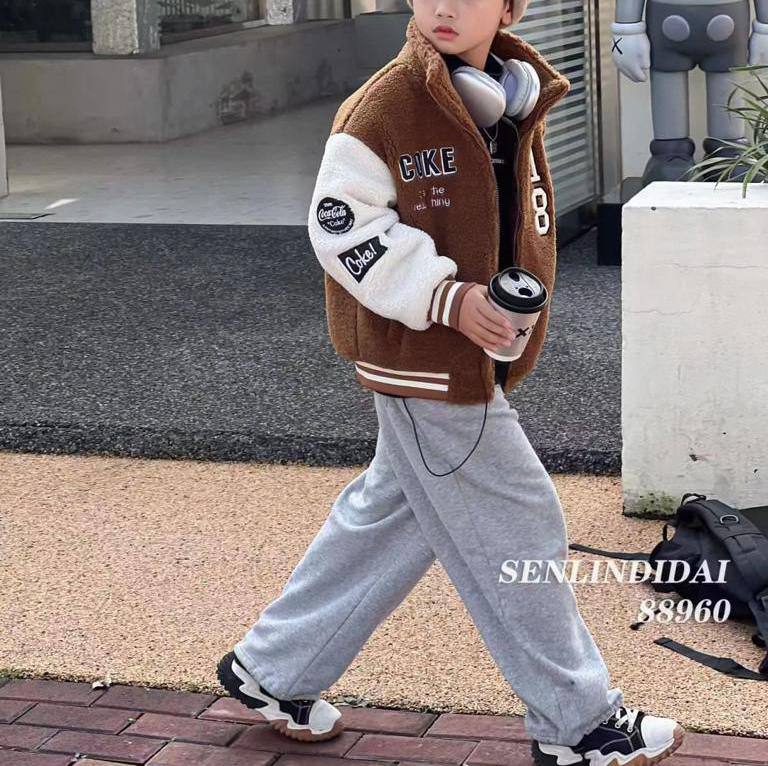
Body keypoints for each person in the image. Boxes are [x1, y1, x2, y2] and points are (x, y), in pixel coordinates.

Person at [217, 1, 687, 764]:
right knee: (518, 522)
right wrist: (449, 298)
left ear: (510, 7)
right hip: (425, 362)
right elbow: (341, 226)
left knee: (391, 518)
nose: (442, 6)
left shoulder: (513, 94)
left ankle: (271, 670)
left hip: (464, 358)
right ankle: (578, 725)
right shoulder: (383, 109)